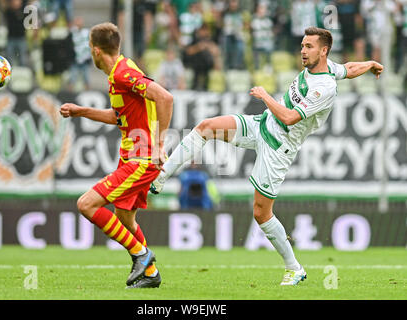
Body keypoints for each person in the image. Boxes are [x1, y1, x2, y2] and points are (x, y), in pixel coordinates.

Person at [151, 27, 383, 286]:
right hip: (261, 125)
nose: (303, 51)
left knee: (261, 213)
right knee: (206, 127)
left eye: (309, 47)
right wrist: (371, 63)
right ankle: (161, 177)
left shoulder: (324, 87)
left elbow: (289, 117)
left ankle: (294, 268)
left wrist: (265, 96)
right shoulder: (328, 68)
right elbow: (349, 69)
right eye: (303, 45)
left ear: (324, 50)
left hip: (278, 146)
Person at [60, 22, 173, 289]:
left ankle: (142, 255)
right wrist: (81, 111)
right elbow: (117, 116)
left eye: (90, 49)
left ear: (96, 51)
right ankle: (151, 273)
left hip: (142, 158)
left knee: (86, 205)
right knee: (125, 219)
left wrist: (159, 144)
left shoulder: (123, 74)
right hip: (133, 156)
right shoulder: (122, 71)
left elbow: (165, 98)